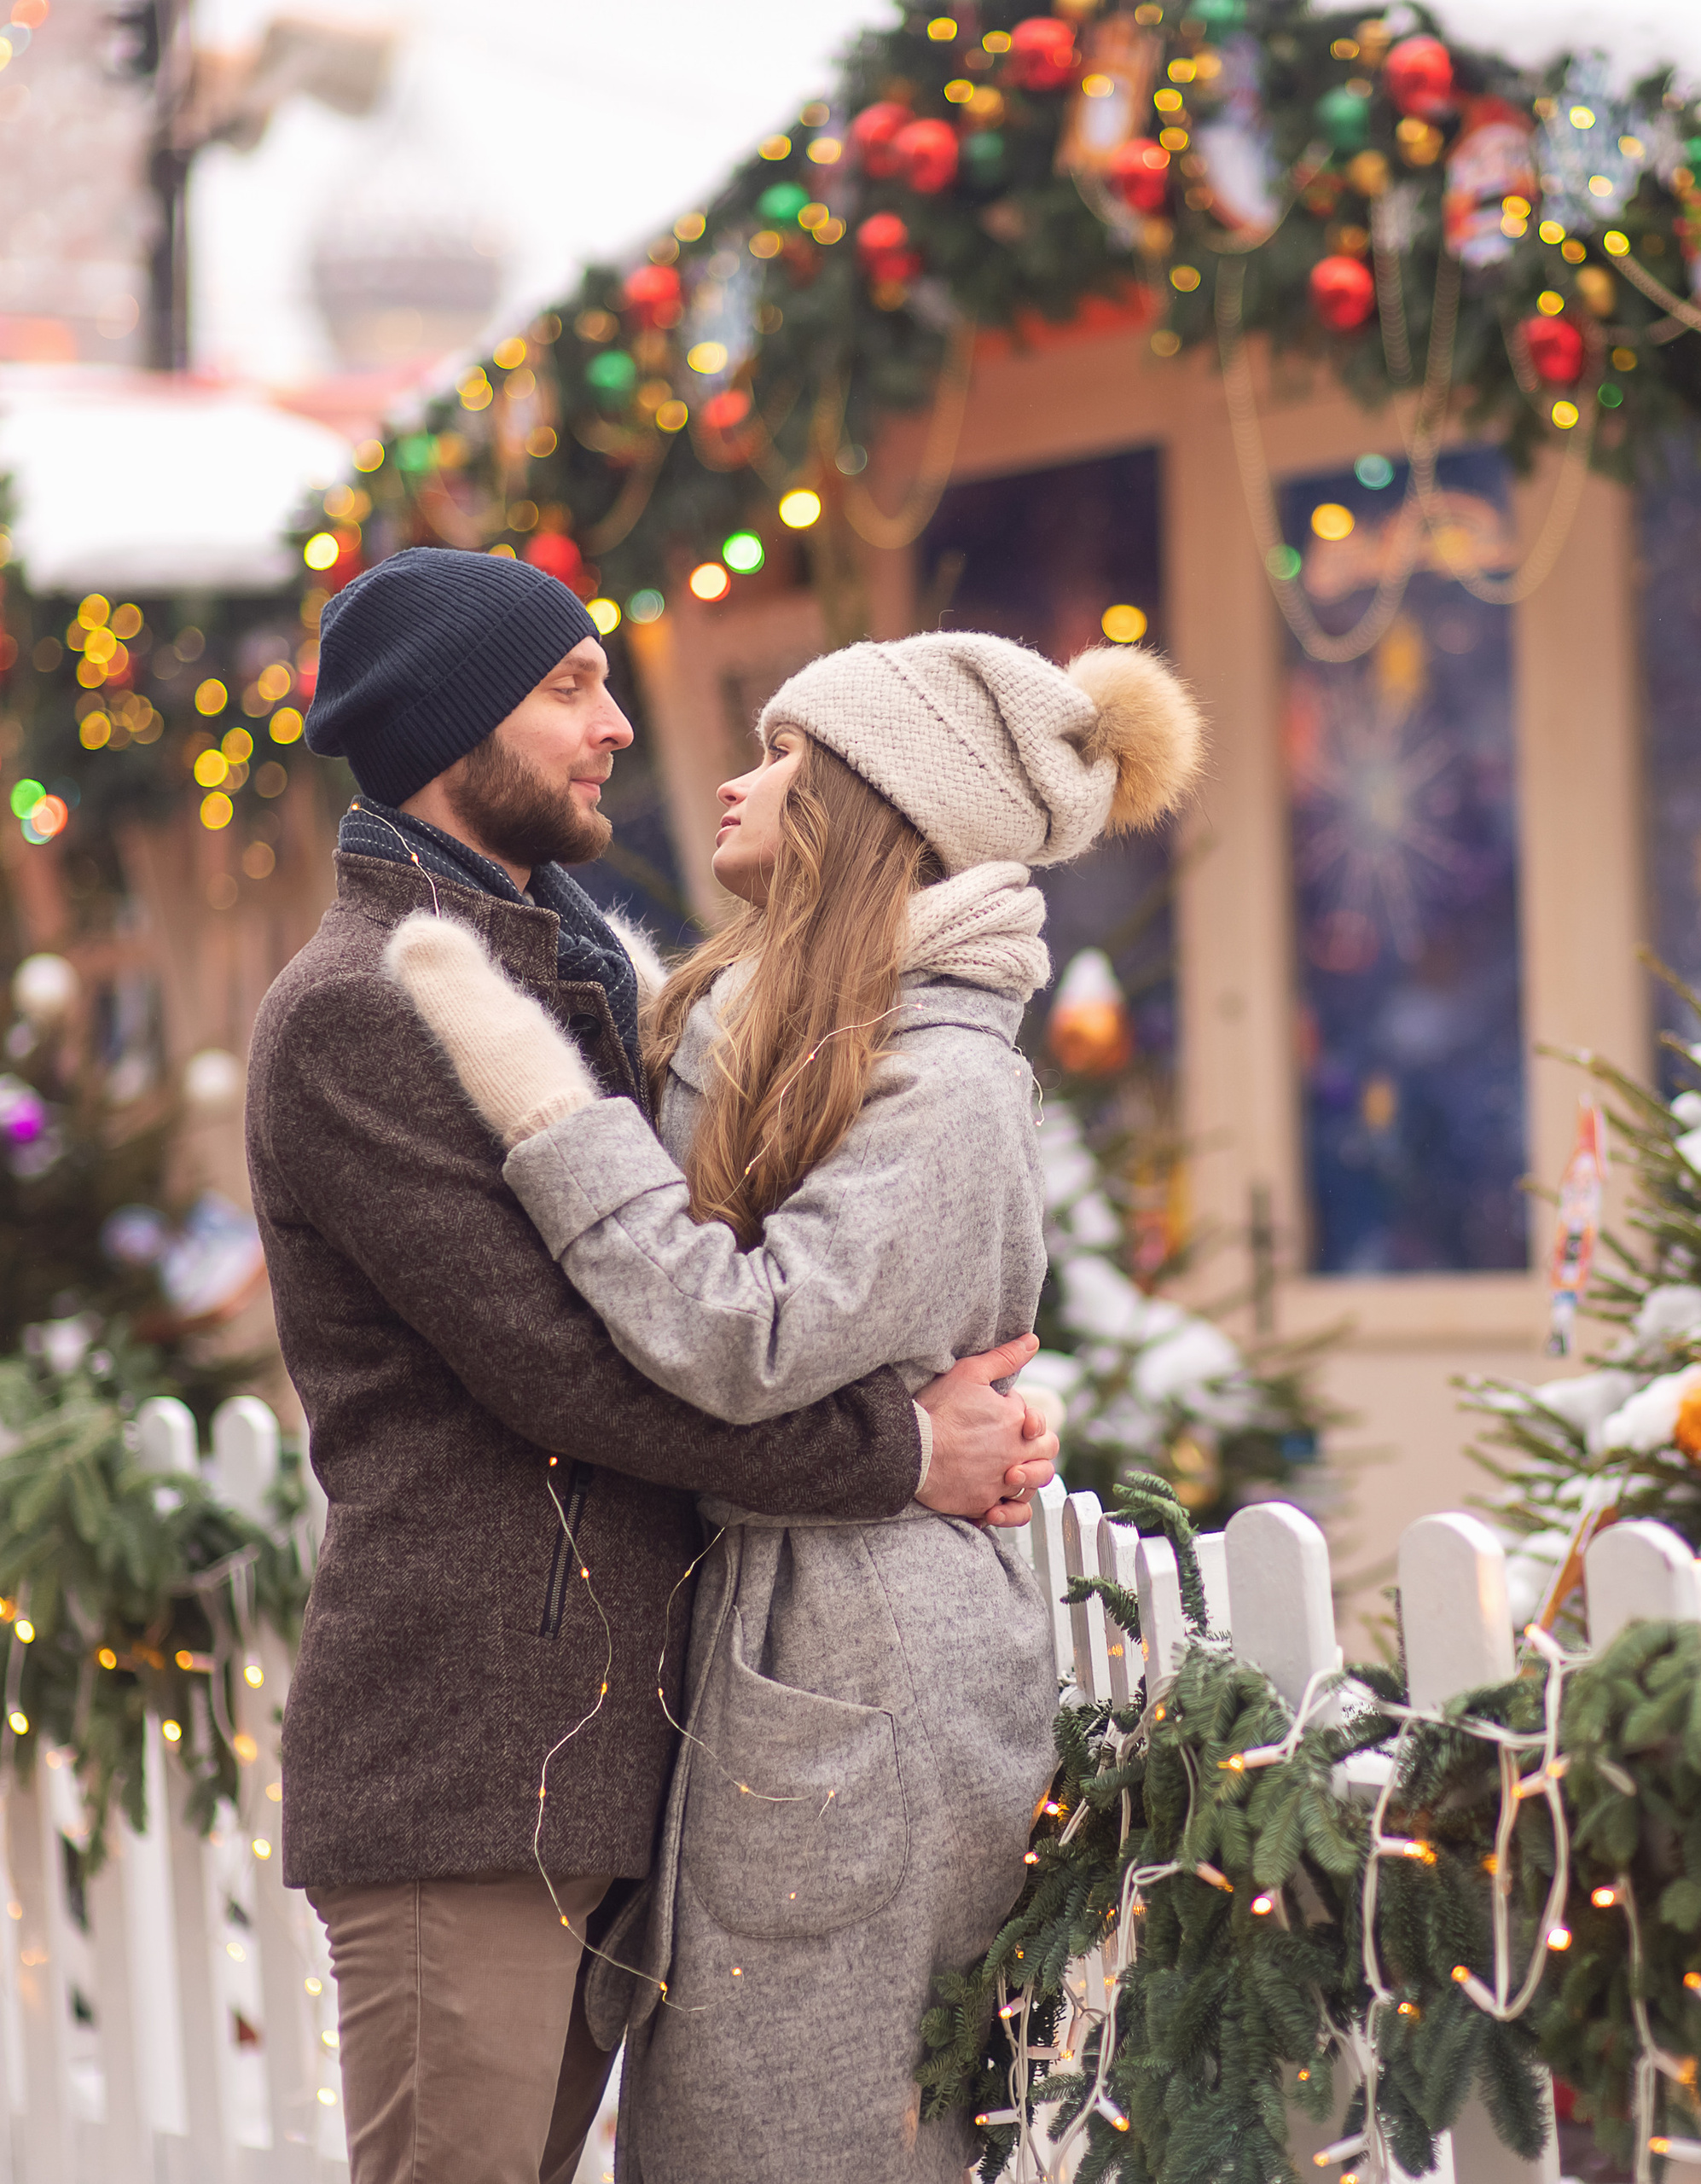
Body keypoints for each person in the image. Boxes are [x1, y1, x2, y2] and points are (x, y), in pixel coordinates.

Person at [246, 549, 1057, 2184]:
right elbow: (576, 1378)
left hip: (627, 1759)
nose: (618, 727)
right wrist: (902, 1460)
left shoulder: (574, 976)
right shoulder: (372, 1006)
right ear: (449, 727)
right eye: (569, 690)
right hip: (474, 1769)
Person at [385, 629, 1205, 2181]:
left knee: (791, 2137)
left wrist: (553, 1116)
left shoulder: (946, 1080)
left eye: (785, 757)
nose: (738, 781)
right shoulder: (807, 1026)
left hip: (867, 1660)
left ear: (869, 803)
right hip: (803, 1625)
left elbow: (743, 1337)